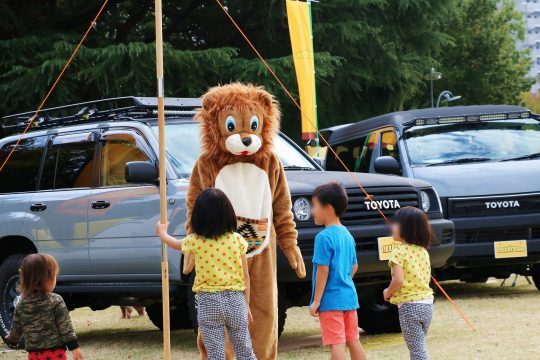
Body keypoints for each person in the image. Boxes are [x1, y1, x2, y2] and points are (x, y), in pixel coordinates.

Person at [156, 188, 256, 360]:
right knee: (245, 351)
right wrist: (246, 305)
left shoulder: (196, 241)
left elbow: (175, 243)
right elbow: (245, 276)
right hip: (236, 301)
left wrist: (162, 233)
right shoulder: (237, 240)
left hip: (208, 302)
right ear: (228, 214)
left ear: (199, 217)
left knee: (215, 354)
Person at [308, 182, 366, 360]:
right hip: (349, 297)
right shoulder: (347, 234)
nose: (312, 211)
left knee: (337, 342)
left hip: (331, 301)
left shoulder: (323, 237)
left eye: (315, 206)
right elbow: (354, 266)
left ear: (328, 208)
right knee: (353, 340)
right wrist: (343, 280)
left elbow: (322, 270)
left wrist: (317, 300)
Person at [5, 253, 83, 360]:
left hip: (34, 356)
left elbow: (16, 328)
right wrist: (74, 347)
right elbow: (65, 328)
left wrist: (12, 340)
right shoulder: (55, 300)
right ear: (47, 279)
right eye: (54, 276)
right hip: (55, 354)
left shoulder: (22, 304)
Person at [383, 206, 434, 360]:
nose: (391, 226)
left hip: (409, 308)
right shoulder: (423, 251)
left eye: (395, 223)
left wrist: (387, 292)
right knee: (419, 346)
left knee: (417, 351)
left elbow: (398, 280)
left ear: (406, 228)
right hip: (427, 306)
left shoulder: (399, 252)